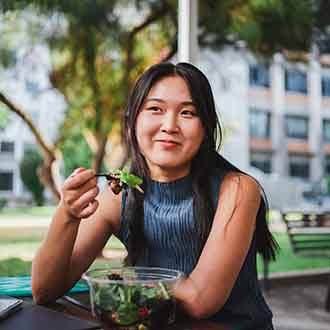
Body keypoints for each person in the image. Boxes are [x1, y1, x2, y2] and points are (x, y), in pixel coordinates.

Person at [32, 62, 278, 330]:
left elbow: (200, 300)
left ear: (205, 128)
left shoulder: (238, 189)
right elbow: (44, 290)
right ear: (132, 122)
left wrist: (128, 278)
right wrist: (67, 214)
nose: (169, 125)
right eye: (155, 109)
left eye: (188, 112)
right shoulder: (119, 194)